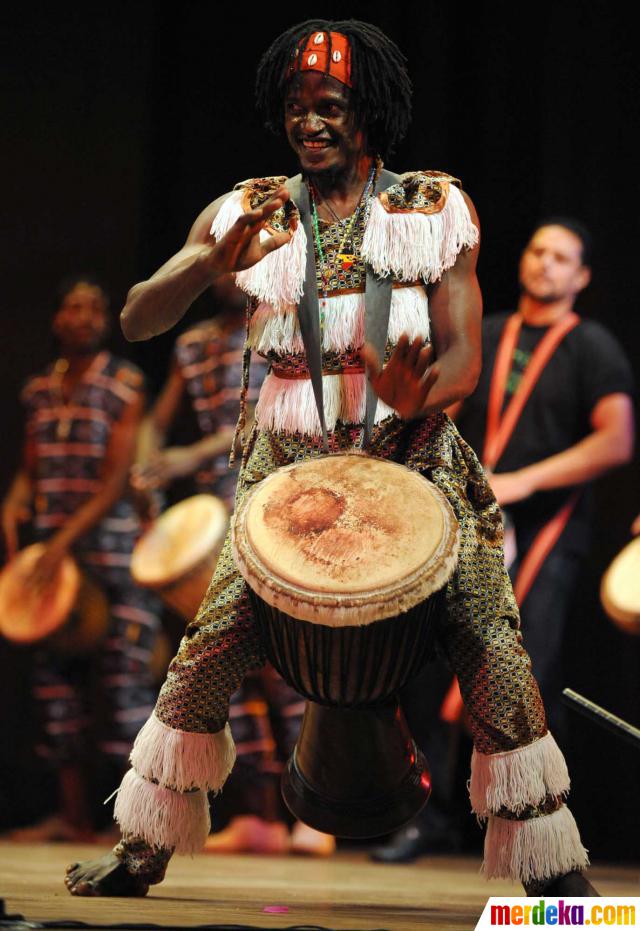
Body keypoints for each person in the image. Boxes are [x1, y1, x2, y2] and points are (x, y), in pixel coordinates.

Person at [65, 21, 597, 898]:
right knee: (206, 649)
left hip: (413, 466)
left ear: (371, 112)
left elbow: (463, 356)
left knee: (493, 645)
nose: (308, 123)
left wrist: (415, 393)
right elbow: (136, 319)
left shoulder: (430, 209)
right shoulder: (250, 210)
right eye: (295, 108)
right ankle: (142, 849)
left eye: (331, 107)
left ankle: (558, 882)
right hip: (286, 485)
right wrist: (203, 262)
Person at [370, 219, 636, 865]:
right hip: (471, 525)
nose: (546, 263)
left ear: (582, 276)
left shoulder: (591, 347)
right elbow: (437, 418)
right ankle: (430, 820)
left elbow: (617, 439)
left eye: (562, 257)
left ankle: (540, 825)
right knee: (434, 670)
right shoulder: (487, 336)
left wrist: (521, 481)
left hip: (548, 531)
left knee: (527, 674)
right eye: (537, 250)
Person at [130, 278, 331, 856]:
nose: (228, 274)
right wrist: (149, 468)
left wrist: (185, 456)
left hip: (279, 501)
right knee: (233, 674)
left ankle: (311, 814)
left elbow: (277, 415)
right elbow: (155, 421)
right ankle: (261, 814)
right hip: (218, 510)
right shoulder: (193, 344)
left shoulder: (289, 326)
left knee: (290, 665)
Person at [2, 277, 160, 841]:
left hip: (112, 551)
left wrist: (63, 540)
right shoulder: (39, 389)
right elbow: (32, 467)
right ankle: (71, 819)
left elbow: (117, 478)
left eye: (95, 307)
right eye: (73, 306)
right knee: (56, 685)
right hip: (55, 556)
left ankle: (134, 827)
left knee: (124, 687)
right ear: (56, 320)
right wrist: (15, 505)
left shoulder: (123, 383)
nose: (85, 315)